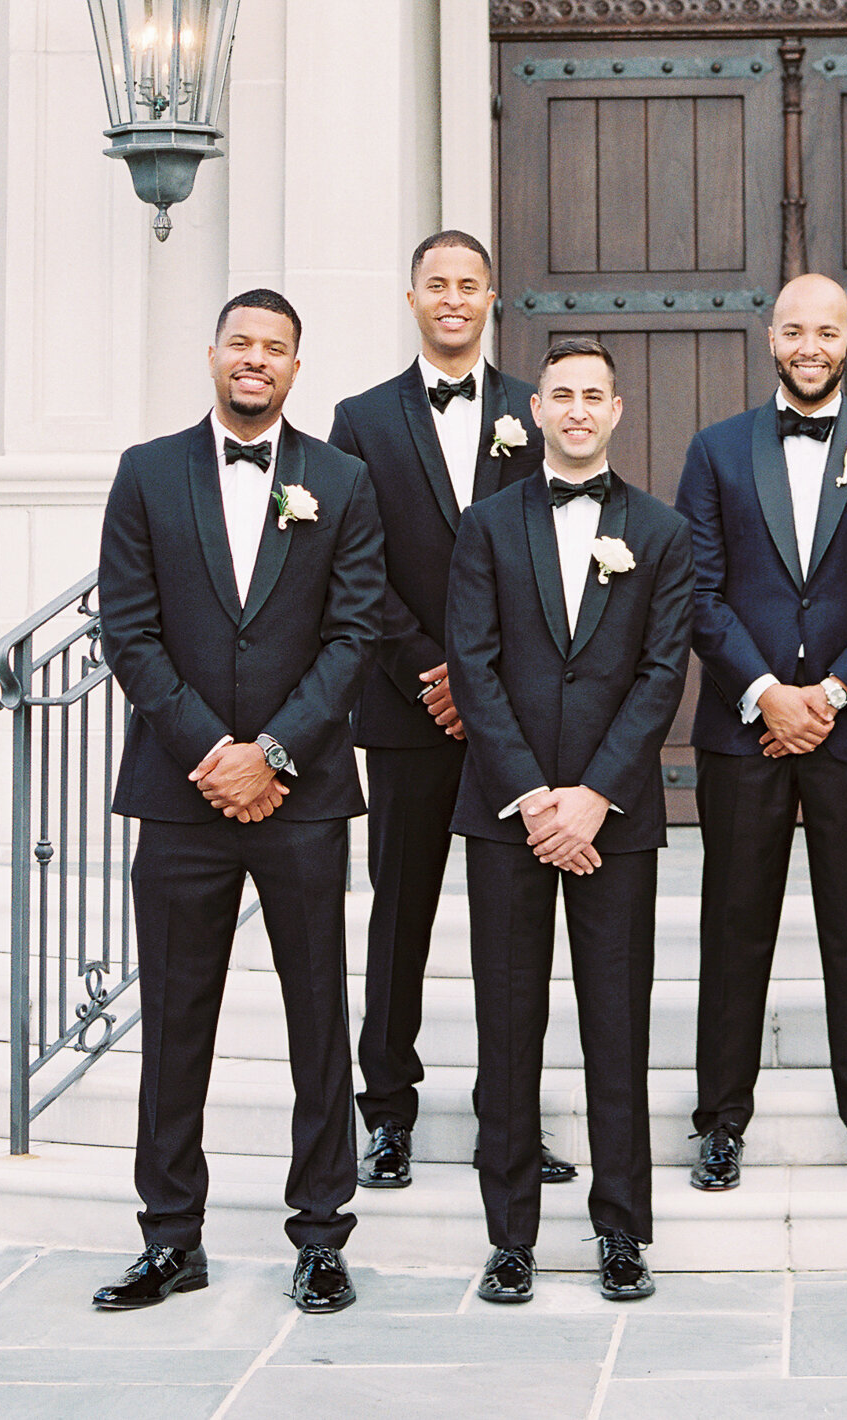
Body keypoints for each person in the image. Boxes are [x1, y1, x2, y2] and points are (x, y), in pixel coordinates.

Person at [91, 291, 385, 1315]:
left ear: (297, 367)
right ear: (211, 352)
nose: (256, 361)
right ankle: (170, 1237)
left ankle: (320, 1236)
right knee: (177, 1019)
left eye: (276, 349)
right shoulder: (145, 472)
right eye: (241, 344)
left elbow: (354, 633)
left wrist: (275, 753)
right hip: (179, 794)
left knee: (317, 1019)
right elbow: (128, 631)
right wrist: (214, 751)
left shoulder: (341, 480)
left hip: (300, 797)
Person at [446, 337, 694, 1305]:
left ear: (618, 410)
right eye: (562, 394)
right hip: (508, 814)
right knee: (507, 1028)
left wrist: (593, 794)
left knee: (615, 1027)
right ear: (536, 408)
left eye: (595, 394)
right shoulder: (486, 526)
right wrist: (535, 796)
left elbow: (660, 671)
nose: (579, 409)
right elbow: (475, 662)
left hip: (615, 818)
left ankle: (621, 1231)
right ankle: (509, 1237)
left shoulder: (663, 533)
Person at [675, 273, 847, 1195]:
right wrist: (768, 692)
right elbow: (698, 591)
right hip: (744, 730)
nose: (809, 345)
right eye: (793, 330)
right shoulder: (714, 451)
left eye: (826, 330)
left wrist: (831, 691)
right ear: (770, 338)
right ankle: (719, 1122)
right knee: (734, 926)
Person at [329, 230, 560, 1191]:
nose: (454, 299)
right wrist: (436, 669)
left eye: (470, 285)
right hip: (406, 706)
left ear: (492, 297)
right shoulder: (361, 418)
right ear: (412, 296)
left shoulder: (533, 410)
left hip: (515, 713)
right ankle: (386, 1111)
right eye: (438, 284)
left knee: (514, 926)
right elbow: (355, 563)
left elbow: (553, 549)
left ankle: (510, 1118)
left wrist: (486, 682)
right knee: (403, 912)